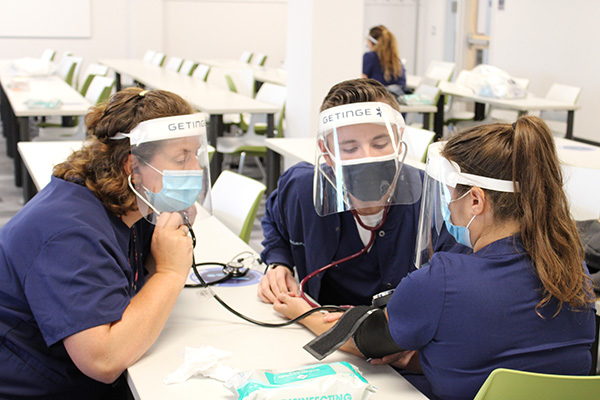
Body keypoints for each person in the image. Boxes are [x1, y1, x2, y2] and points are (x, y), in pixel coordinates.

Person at [352, 116, 595, 399]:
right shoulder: (573, 271)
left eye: (452, 193)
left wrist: (299, 313)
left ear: (476, 201)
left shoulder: (442, 281)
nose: (449, 205)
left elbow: (365, 341)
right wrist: (428, 360)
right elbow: (506, 361)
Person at [0, 88, 212, 399]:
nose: (195, 169)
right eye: (182, 158)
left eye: (197, 155)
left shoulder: (125, 203)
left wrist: (159, 253)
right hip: (35, 388)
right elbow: (104, 359)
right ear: (132, 166)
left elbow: (129, 270)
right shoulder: (70, 233)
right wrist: (169, 272)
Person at [258, 78, 429, 332]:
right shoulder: (302, 189)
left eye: (381, 144)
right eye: (349, 148)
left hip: (402, 340)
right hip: (317, 337)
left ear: (399, 140)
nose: (368, 157)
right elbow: (274, 220)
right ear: (326, 152)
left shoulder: (429, 196)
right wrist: (278, 262)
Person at [362, 25, 407, 97]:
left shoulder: (370, 57)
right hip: (394, 100)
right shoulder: (396, 60)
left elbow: (362, 82)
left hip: (377, 98)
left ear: (370, 42)